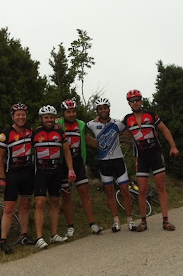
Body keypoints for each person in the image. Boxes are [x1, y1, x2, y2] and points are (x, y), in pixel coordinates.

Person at [122, 89, 178, 231]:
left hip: (155, 154)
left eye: (137, 100)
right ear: (129, 104)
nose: (135, 103)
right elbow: (124, 133)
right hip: (141, 157)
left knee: (161, 187)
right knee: (142, 190)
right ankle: (143, 222)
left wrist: (173, 147)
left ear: (141, 101)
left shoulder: (151, 114)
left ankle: (166, 221)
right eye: (132, 101)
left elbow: (164, 129)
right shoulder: (127, 119)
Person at [85, 97, 137, 232]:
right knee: (109, 192)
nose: (103, 110)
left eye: (105, 108)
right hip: (103, 162)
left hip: (118, 160)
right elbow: (81, 132)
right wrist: (96, 145)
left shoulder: (117, 123)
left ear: (109, 109)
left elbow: (130, 135)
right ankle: (116, 221)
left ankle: (130, 220)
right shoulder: (91, 124)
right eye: (100, 108)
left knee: (125, 190)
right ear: (97, 111)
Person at [31, 105, 76, 249]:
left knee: (55, 202)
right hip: (40, 172)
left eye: (51, 117)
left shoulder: (60, 132)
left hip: (56, 172)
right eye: (46, 117)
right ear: (41, 119)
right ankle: (39, 238)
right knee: (40, 203)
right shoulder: (35, 133)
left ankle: (54, 234)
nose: (49, 120)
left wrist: (70, 169)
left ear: (54, 118)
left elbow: (67, 152)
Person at [57, 99, 103, 237]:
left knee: (85, 194)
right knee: (66, 197)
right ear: (63, 113)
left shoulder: (81, 124)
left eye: (73, 111)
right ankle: (70, 227)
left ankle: (92, 224)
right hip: (63, 164)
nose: (71, 114)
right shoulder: (58, 124)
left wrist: (106, 145)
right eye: (68, 112)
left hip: (78, 162)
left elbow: (88, 140)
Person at [0, 103, 37, 254]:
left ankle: (24, 236)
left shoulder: (31, 131)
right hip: (12, 174)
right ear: (12, 116)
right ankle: (3, 240)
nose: (21, 117)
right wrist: (2, 177)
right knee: (9, 208)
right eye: (18, 114)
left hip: (27, 173)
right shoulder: (5, 134)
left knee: (25, 205)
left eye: (23, 114)